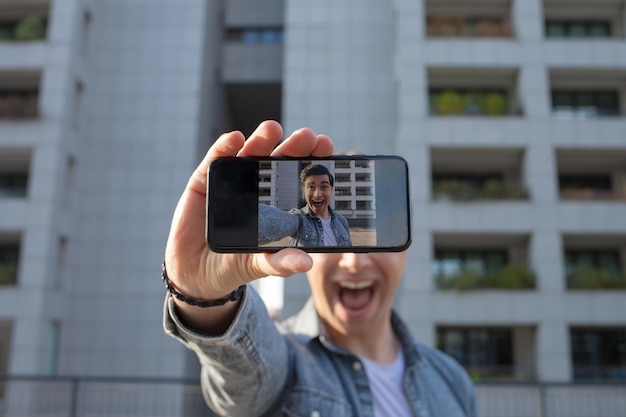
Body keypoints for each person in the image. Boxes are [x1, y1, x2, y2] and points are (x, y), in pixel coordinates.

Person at [162, 120, 478, 417]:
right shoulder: (287, 360)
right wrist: (202, 295)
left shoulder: (450, 379)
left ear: (403, 256)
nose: (354, 262)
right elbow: (243, 379)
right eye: (311, 187)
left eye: (324, 186)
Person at [258, 163, 353, 247]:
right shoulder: (298, 218)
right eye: (311, 187)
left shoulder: (342, 221)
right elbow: (271, 222)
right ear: (304, 191)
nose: (317, 194)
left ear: (331, 190)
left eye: (324, 187)